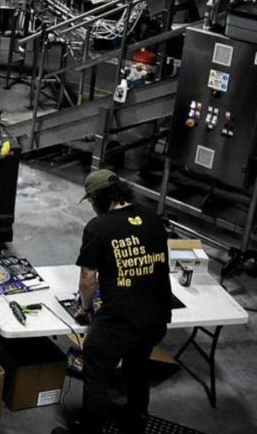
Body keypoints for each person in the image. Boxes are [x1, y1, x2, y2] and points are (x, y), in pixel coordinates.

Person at [52, 169, 172, 434]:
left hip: (120, 322)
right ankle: (136, 421)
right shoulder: (153, 218)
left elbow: (88, 279)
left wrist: (85, 308)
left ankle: (90, 429)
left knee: (96, 370)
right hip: (156, 318)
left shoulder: (99, 227)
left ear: (97, 198)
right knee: (137, 368)